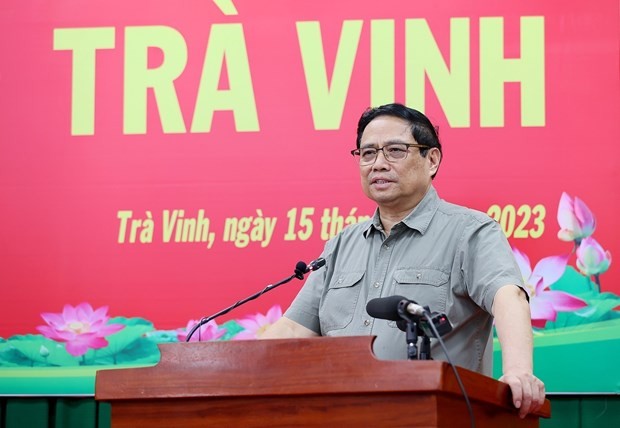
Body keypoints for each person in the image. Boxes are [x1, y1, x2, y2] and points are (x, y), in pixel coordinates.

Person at [262, 103, 545, 418]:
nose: (378, 164)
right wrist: (226, 365)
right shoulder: (341, 245)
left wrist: (519, 371)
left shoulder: (470, 231)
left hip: (435, 416)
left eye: (395, 150)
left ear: (432, 159)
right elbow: (292, 330)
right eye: (368, 153)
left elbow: (509, 297)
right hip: (339, 415)